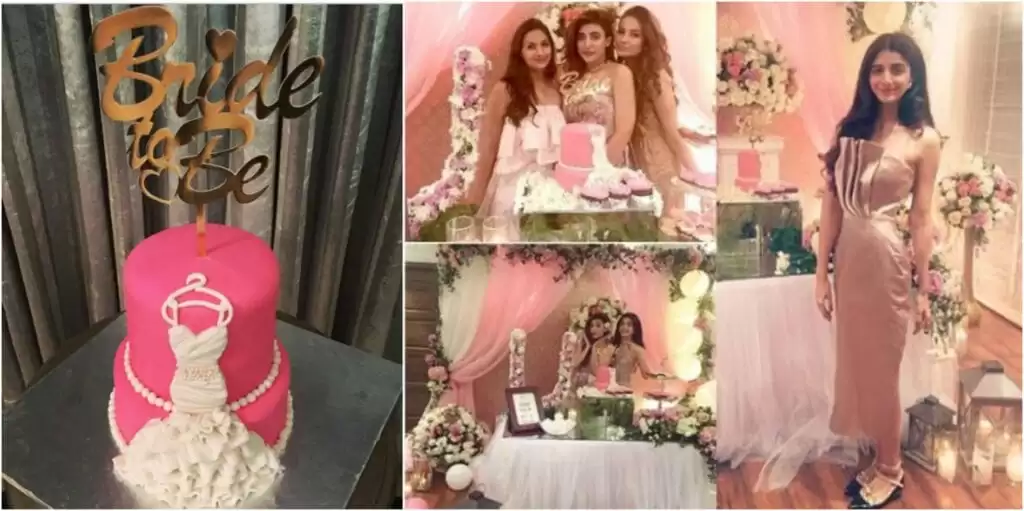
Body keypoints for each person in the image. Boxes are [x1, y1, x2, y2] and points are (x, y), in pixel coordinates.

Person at [814, 32, 939, 509]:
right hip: (849, 262)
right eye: (878, 69)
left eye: (897, 69)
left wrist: (923, 289)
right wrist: (821, 275)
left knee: (883, 369)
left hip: (887, 263)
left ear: (913, 75)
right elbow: (831, 205)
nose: (887, 78)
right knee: (859, 365)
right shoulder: (851, 128)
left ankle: (891, 469)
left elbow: (921, 219)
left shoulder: (924, 139)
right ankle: (882, 457)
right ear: (867, 76)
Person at [470, 19, 563, 224]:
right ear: (519, 52)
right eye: (531, 47)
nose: (540, 52)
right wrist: (474, 200)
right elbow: (489, 148)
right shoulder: (505, 89)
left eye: (545, 44)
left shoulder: (557, 90)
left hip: (550, 194)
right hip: (512, 192)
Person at [614, 6, 709, 201]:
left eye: (634, 35)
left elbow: (670, 132)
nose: (624, 39)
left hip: (659, 164)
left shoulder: (655, 76)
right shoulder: (624, 73)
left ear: (646, 41)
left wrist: (698, 176)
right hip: (634, 162)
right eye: (621, 32)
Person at [562, 9, 635, 166]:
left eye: (595, 37)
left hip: (607, 164)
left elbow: (624, 130)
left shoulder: (619, 73)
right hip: (573, 163)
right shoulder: (571, 77)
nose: (587, 44)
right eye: (581, 38)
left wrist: (601, 167)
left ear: (607, 41)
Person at [590, 312, 657, 386]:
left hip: (627, 389)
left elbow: (646, 375)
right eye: (622, 324)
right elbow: (598, 372)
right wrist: (594, 347)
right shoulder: (612, 348)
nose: (624, 327)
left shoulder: (638, 350)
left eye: (629, 325)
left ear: (635, 329)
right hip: (611, 388)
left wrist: (660, 376)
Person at [570, 313, 611, 388]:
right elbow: (575, 363)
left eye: (598, 326)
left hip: (593, 387)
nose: (593, 329)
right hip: (576, 384)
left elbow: (596, 372)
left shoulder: (607, 347)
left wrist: (594, 347)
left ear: (605, 329)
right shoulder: (582, 342)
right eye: (591, 326)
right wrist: (587, 346)